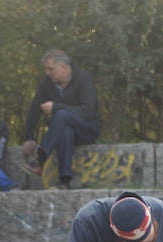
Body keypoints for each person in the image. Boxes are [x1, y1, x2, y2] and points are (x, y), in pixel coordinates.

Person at [21, 49, 103, 190]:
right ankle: (64, 181)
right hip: (65, 129)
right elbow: (35, 108)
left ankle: (40, 161)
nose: (47, 72)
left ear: (63, 67)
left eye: (50, 69)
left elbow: (88, 112)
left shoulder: (83, 79)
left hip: (88, 129)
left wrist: (56, 107)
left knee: (62, 115)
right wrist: (29, 136)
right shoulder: (48, 83)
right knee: (65, 129)